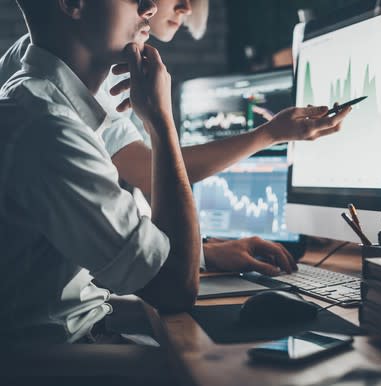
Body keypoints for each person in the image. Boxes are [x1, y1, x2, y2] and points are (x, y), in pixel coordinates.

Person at [0, 0, 351, 345]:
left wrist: (203, 254)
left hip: (78, 326)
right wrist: (160, 121)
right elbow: (174, 289)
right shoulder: (48, 128)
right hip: (54, 358)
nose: (150, 7)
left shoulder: (52, 98)